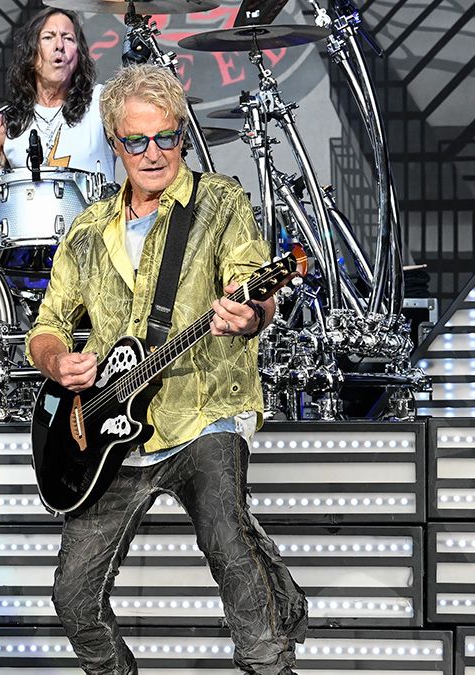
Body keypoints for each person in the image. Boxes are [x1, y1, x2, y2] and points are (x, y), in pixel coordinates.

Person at [26, 64, 308, 674]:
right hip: (106, 440)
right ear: (115, 143)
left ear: (181, 136)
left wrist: (251, 310)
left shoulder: (218, 202)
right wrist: (58, 361)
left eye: (166, 138)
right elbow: (45, 327)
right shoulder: (86, 230)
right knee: (72, 597)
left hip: (203, 411)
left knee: (228, 546)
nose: (153, 154)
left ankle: (270, 666)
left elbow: (250, 284)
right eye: (136, 141)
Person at [0, 6, 116, 191]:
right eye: (48, 37)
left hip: (95, 218)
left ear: (79, 54)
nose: (59, 45)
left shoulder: (101, 103)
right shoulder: (7, 122)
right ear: (31, 53)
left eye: (68, 38)